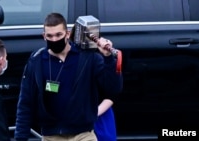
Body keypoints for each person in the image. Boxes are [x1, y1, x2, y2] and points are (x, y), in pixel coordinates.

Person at [14, 12, 120, 141]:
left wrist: (108, 59)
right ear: (44, 36)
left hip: (83, 133)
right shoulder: (37, 61)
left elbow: (113, 88)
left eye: (58, 35)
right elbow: (25, 102)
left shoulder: (87, 57)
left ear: (67, 34)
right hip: (51, 135)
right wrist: (20, 138)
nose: (54, 40)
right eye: (50, 36)